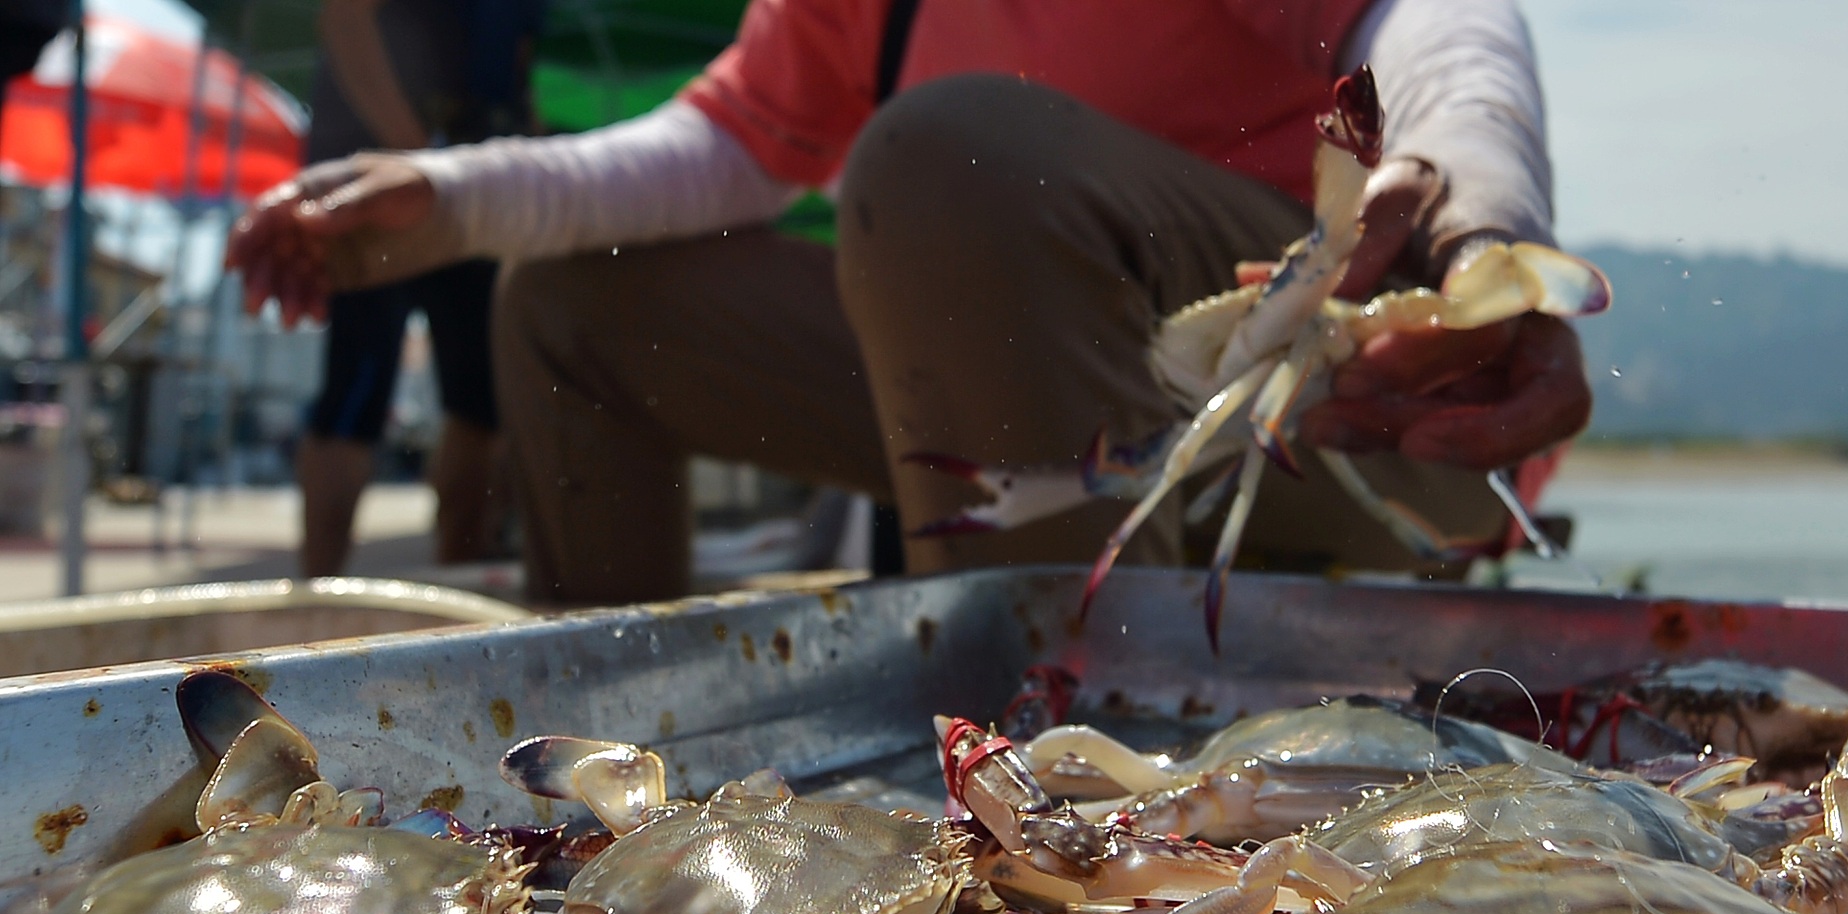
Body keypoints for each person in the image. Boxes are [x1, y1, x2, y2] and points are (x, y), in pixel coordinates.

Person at [231, 0, 1591, 605]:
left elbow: (1432, 18)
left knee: (949, 151)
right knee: (569, 306)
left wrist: (1478, 198)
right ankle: (610, 808)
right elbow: (722, 145)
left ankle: (1082, 787)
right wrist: (450, 198)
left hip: (1343, 409)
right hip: (1066, 421)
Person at [294, 0, 542, 576]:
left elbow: (519, 67)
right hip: (374, 171)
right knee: (356, 390)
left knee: (481, 403)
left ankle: (460, 582)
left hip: (473, 181)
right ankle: (317, 595)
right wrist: (421, 164)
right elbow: (345, 19)